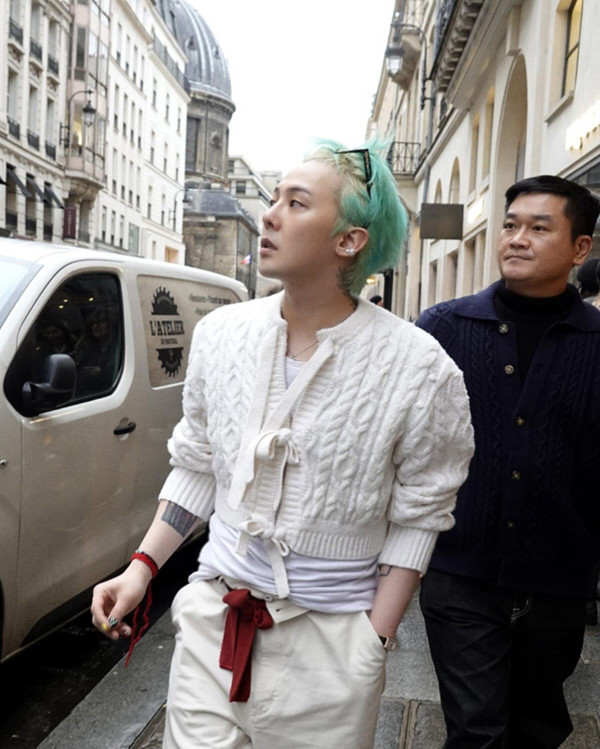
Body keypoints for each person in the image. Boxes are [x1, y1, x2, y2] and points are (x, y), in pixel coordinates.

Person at [91, 138, 474, 749]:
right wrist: (142, 568)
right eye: (274, 199)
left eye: (296, 203)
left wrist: (372, 641)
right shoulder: (221, 334)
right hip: (213, 621)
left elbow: (421, 512)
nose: (269, 216)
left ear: (349, 241)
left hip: (333, 648)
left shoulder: (419, 366)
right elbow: (198, 465)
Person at [417, 174, 600, 749]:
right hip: (460, 575)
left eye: (539, 228)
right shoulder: (442, 329)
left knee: (538, 728)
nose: (517, 239)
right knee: (476, 730)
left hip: (559, 581)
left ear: (580, 248)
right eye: (510, 225)